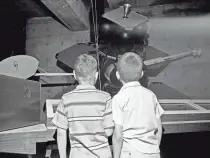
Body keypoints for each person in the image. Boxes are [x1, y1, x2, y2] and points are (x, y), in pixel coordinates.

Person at [52, 54, 114, 158]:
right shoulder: (105, 98)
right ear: (97, 75)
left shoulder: (66, 99)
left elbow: (61, 133)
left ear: (74, 75)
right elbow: (109, 131)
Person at [112, 52, 164, 158]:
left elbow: (118, 135)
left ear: (117, 75)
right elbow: (159, 126)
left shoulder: (118, 98)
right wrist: (155, 148)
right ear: (141, 74)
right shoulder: (151, 95)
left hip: (131, 153)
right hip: (152, 152)